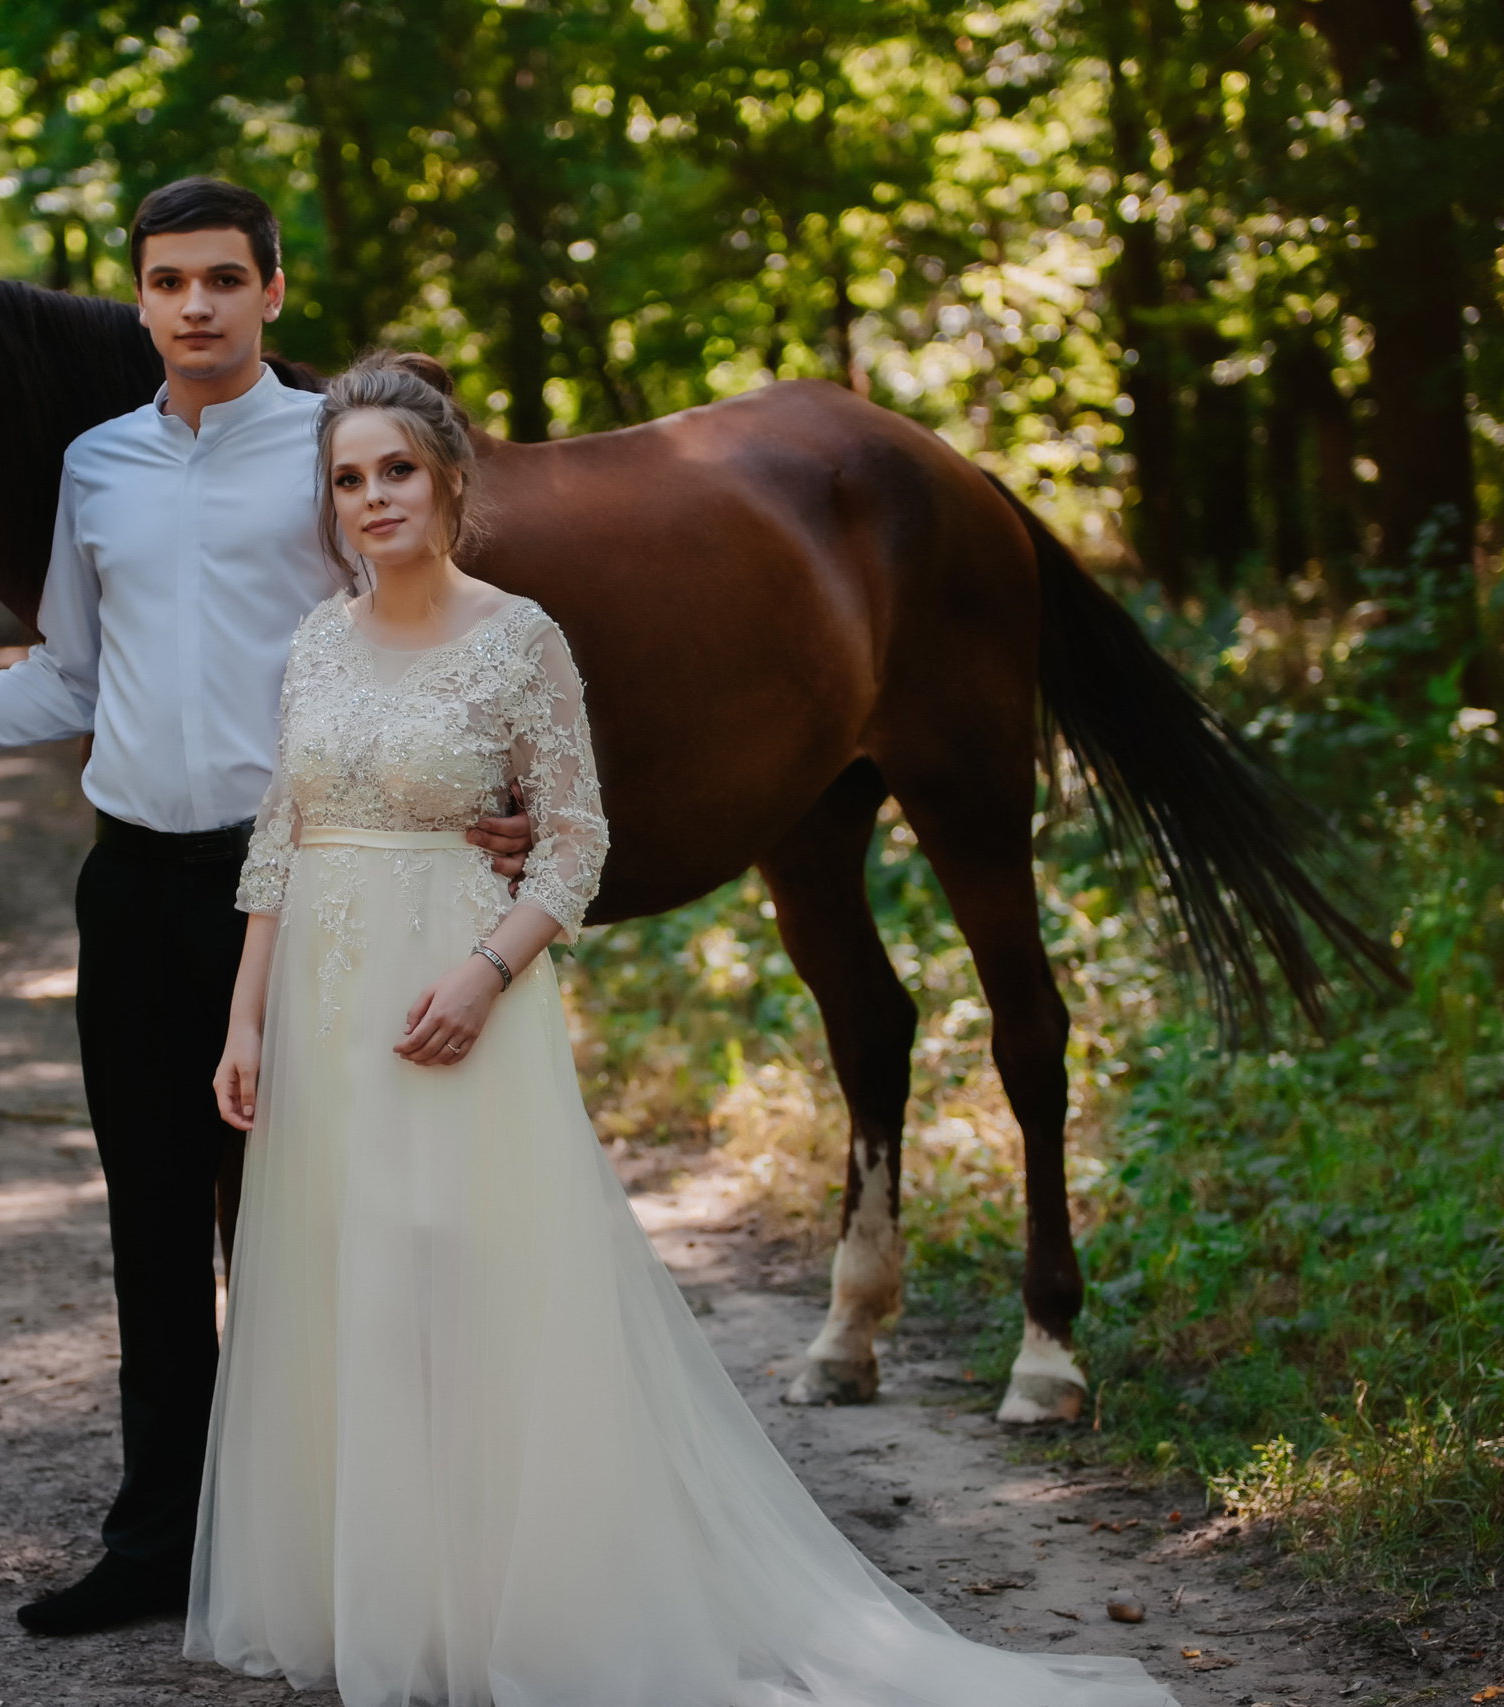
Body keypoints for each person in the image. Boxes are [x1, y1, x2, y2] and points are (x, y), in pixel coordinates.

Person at [190, 351, 1176, 1707]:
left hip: (455, 982)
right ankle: (391, 1590)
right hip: (327, 991)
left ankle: (525, 1591)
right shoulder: (315, 640)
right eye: (348, 479)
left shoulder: (518, 637)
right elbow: (281, 836)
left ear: (450, 478)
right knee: (360, 1276)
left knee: (469, 1263)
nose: (372, 500)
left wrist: (486, 972)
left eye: (396, 473)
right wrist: (245, 1020)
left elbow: (576, 837)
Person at [0, 180, 531, 1637]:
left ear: (273, 290)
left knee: (323, 1228)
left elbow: (425, 639)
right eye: (165, 281)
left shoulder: (333, 458)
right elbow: (70, 679)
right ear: (136, 300)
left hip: (307, 897)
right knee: (152, 1223)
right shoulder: (98, 467)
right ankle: (157, 1546)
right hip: (131, 885)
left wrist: (494, 795)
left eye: (220, 279)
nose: (193, 304)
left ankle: (344, 1544)